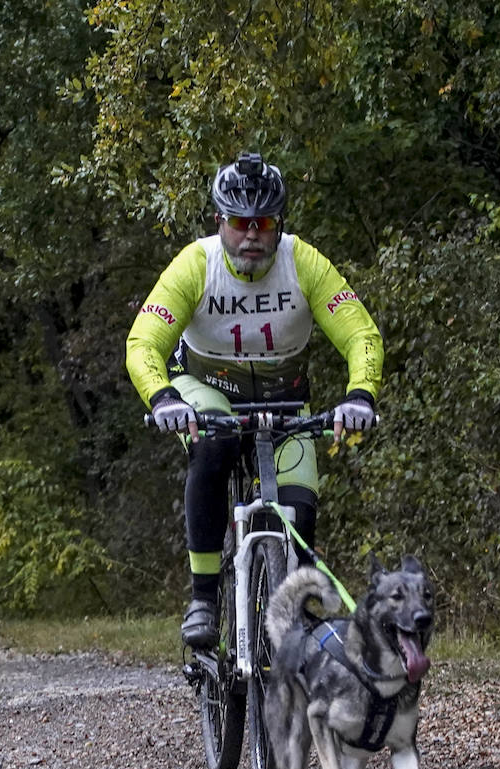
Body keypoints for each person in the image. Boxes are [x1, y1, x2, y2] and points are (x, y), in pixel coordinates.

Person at [125, 152, 383, 648]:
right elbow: (143, 341)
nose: (251, 235)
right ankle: (204, 596)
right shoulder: (195, 265)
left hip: (284, 400)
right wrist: (162, 399)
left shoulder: (303, 262)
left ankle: (294, 632)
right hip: (206, 390)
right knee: (213, 448)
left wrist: (360, 395)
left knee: (299, 512)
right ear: (219, 220)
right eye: (240, 223)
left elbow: (361, 335)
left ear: (278, 224)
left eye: (262, 223)